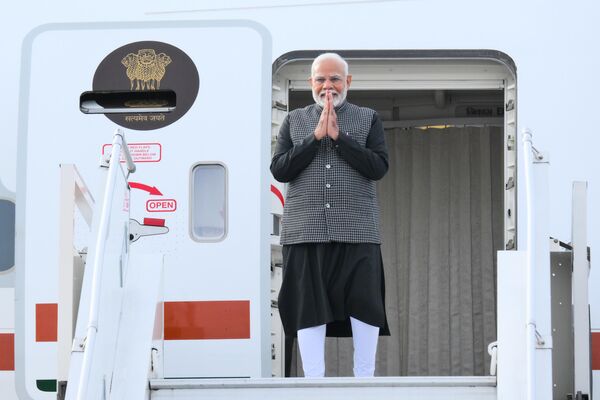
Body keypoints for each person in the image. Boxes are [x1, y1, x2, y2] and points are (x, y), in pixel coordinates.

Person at [270, 53, 390, 378]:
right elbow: (280, 168)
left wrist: (340, 139)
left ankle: (364, 380)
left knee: (365, 305)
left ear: (347, 82)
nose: (328, 86)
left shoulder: (368, 118)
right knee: (309, 307)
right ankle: (314, 384)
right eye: (321, 79)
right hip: (304, 231)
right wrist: (315, 138)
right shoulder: (294, 120)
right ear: (311, 83)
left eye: (335, 79)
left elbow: (378, 166)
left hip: (358, 230)